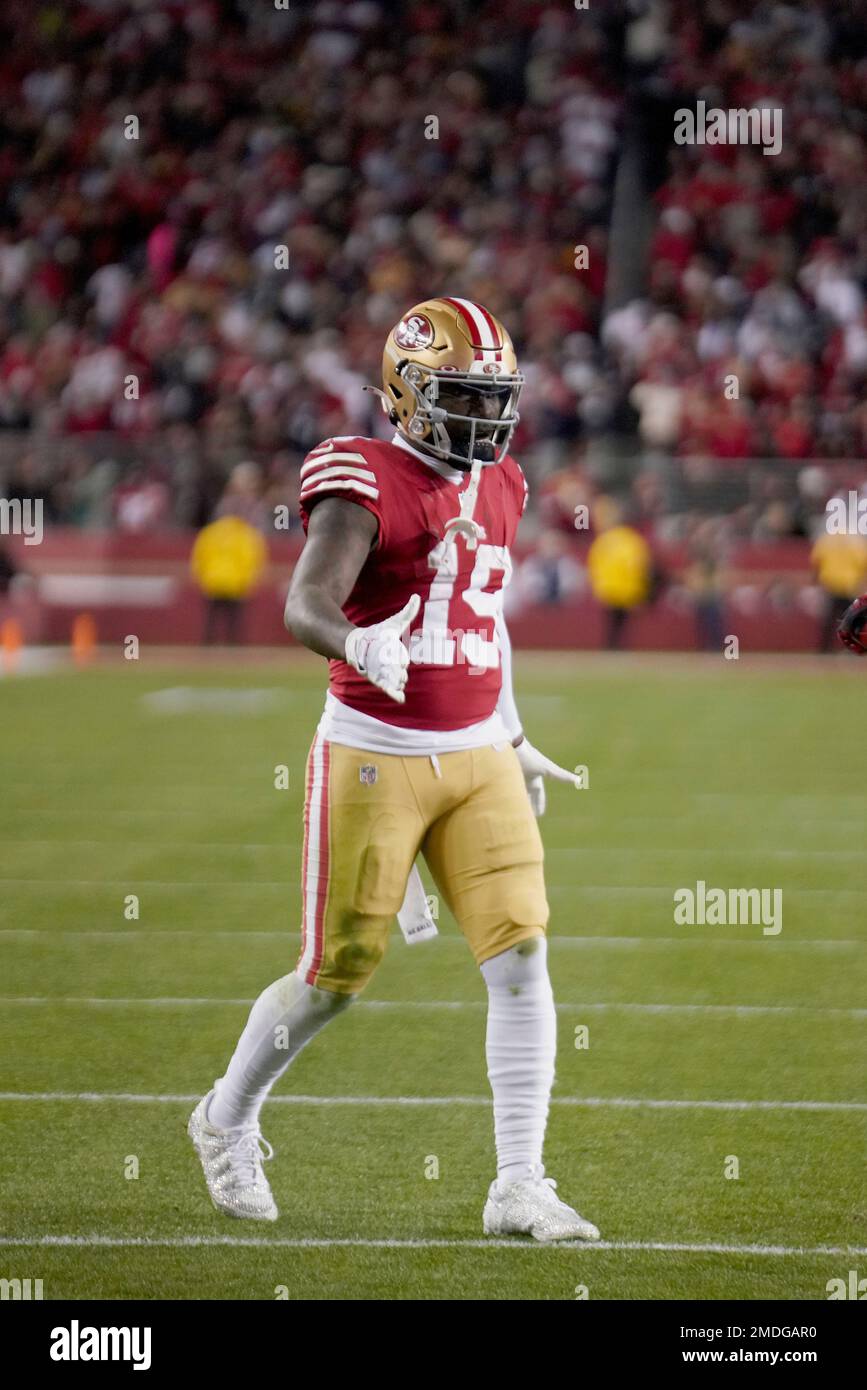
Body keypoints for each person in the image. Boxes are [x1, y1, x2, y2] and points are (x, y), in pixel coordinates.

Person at [188, 298, 601, 1242]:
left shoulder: (502, 484)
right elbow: (306, 601)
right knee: (337, 976)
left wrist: (512, 725)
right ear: (409, 395)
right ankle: (226, 1115)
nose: (486, 419)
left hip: (477, 754)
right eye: (464, 396)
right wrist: (353, 642)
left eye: (494, 397)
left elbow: (483, 617)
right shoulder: (362, 475)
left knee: (523, 953)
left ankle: (518, 1184)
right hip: (376, 755)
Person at [189, 512, 267, 644]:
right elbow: (251, 559)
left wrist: (201, 578)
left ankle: (207, 646)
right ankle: (234, 646)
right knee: (235, 620)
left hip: (213, 581)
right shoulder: (245, 534)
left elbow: (199, 558)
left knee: (211, 619)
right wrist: (249, 581)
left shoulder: (209, 533)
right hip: (235, 583)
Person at [586, 497, 653, 649]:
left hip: (608, 589)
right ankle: (617, 646)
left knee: (612, 623)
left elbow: (595, 564)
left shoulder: (605, 539)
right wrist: (640, 590)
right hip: (626, 589)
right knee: (622, 623)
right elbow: (639, 567)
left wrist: (597, 585)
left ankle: (611, 646)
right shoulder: (633, 540)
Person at [810, 526, 867, 654]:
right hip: (849, 585)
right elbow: (863, 564)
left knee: (829, 621)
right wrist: (861, 584)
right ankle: (853, 648)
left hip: (831, 584)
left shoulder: (826, 540)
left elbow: (816, 561)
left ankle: (825, 650)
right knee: (853, 620)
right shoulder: (857, 541)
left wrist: (818, 582)